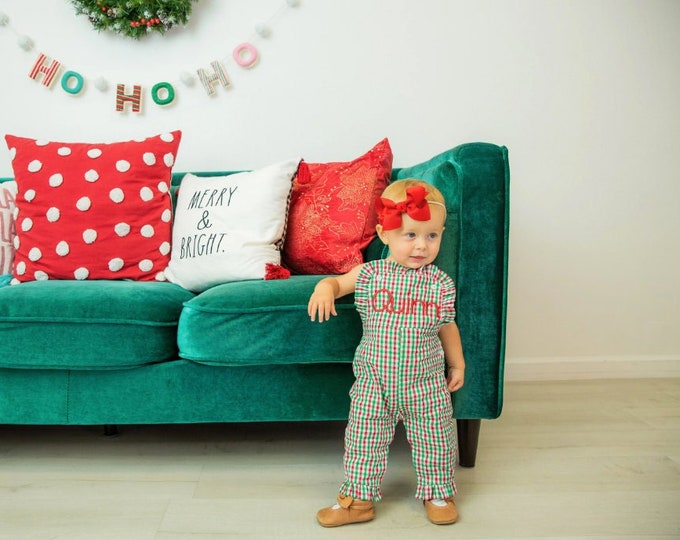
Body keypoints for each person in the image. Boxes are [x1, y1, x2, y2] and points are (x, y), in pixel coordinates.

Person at [308, 179, 465, 527]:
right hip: (374, 382)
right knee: (363, 439)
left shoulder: (440, 284)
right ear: (384, 234)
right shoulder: (370, 275)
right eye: (410, 235)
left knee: (436, 438)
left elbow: (447, 326)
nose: (421, 246)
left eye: (431, 236)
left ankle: (437, 491)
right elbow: (337, 283)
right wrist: (324, 288)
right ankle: (358, 500)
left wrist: (457, 363)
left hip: (425, 383)